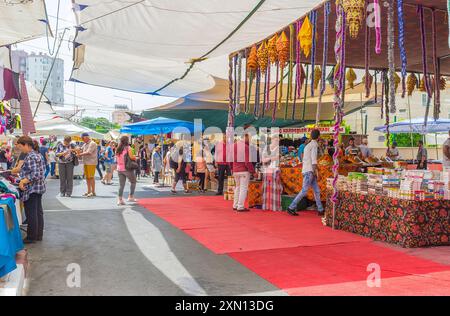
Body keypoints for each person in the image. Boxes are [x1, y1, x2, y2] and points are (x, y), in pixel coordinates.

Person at [287, 129, 324, 217]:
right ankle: (291, 207)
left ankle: (320, 209)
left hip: (307, 170)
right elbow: (314, 160)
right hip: (310, 171)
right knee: (304, 191)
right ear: (318, 136)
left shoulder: (308, 145)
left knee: (316, 190)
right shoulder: (314, 145)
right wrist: (316, 172)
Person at [16, 136, 46, 244]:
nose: (21, 149)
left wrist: (23, 181)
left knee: (31, 213)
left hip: (32, 189)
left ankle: (31, 236)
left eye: (20, 147)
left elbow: (35, 174)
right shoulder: (37, 155)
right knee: (38, 212)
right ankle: (38, 235)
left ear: (25, 144)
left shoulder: (31, 156)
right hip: (38, 187)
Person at [232, 134, 256, 212]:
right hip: (243, 170)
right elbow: (247, 161)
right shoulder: (245, 147)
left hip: (235, 170)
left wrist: (232, 168)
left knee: (237, 188)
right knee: (243, 188)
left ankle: (235, 205)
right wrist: (253, 171)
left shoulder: (234, 145)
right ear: (245, 137)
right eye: (249, 137)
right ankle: (240, 206)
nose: (250, 139)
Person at [261, 134, 282, 211]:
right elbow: (263, 160)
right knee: (267, 189)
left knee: (275, 188)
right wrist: (272, 158)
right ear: (272, 140)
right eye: (276, 140)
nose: (277, 141)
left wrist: (269, 158)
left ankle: (274, 207)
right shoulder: (266, 148)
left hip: (275, 170)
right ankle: (267, 206)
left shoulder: (278, 148)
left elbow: (278, 158)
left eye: (278, 140)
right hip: (268, 170)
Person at [115, 136, 138, 206]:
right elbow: (131, 157)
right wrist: (136, 157)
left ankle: (120, 199)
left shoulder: (118, 149)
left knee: (121, 185)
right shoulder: (128, 148)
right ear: (127, 141)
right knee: (133, 181)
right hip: (127, 168)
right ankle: (131, 196)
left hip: (119, 168)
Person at [78, 133, 98, 197]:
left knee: (91, 177)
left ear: (86, 137)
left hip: (91, 163)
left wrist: (80, 154)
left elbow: (89, 152)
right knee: (87, 177)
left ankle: (93, 192)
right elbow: (80, 149)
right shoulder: (85, 144)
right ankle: (89, 191)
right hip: (86, 162)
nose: (82, 140)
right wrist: (76, 150)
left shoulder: (92, 143)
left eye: (82, 138)